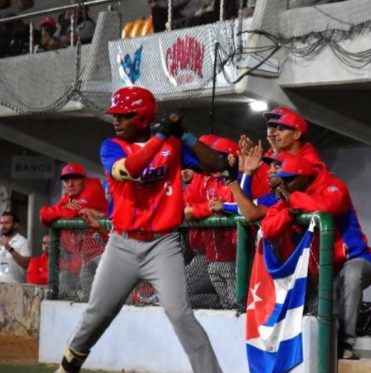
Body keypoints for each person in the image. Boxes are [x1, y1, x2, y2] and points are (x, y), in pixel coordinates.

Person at [55, 86, 225, 373]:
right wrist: (161, 136)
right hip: (122, 244)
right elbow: (128, 171)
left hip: (163, 244)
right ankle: (69, 364)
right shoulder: (111, 146)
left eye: (125, 115)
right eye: (116, 115)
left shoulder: (172, 146)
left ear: (144, 118)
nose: (116, 121)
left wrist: (184, 135)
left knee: (180, 314)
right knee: (98, 313)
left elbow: (216, 164)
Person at [261, 154, 371, 360]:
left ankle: (346, 343)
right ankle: (328, 348)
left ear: (305, 178)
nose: (284, 184)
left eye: (289, 179)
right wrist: (288, 213)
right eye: (283, 179)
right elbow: (268, 228)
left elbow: (325, 207)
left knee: (351, 276)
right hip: (324, 269)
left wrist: (293, 200)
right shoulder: (292, 194)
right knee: (317, 308)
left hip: (356, 259)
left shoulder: (333, 186)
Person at [184, 136, 239, 309]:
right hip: (210, 253)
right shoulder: (207, 179)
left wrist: (203, 210)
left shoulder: (233, 181)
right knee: (226, 304)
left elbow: (234, 206)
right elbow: (185, 210)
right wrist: (207, 208)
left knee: (237, 305)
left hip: (235, 255)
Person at [39, 162, 108, 301]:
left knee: (86, 273)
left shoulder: (93, 187)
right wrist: (61, 209)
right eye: (66, 180)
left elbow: (69, 213)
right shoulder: (69, 196)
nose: (70, 184)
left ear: (84, 179)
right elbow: (43, 218)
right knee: (65, 277)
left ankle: (97, 310)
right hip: (82, 256)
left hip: (104, 251)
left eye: (75, 179)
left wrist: (63, 210)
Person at [240, 106, 324, 199]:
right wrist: (243, 172)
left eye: (279, 127)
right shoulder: (265, 159)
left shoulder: (309, 160)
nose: (272, 131)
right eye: (270, 126)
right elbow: (252, 197)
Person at [0, 211, 31, 284]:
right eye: (1, 223)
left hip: (16, 287)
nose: (3, 226)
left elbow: (26, 264)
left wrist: (8, 248)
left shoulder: (23, 242)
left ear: (15, 225)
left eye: (7, 223)